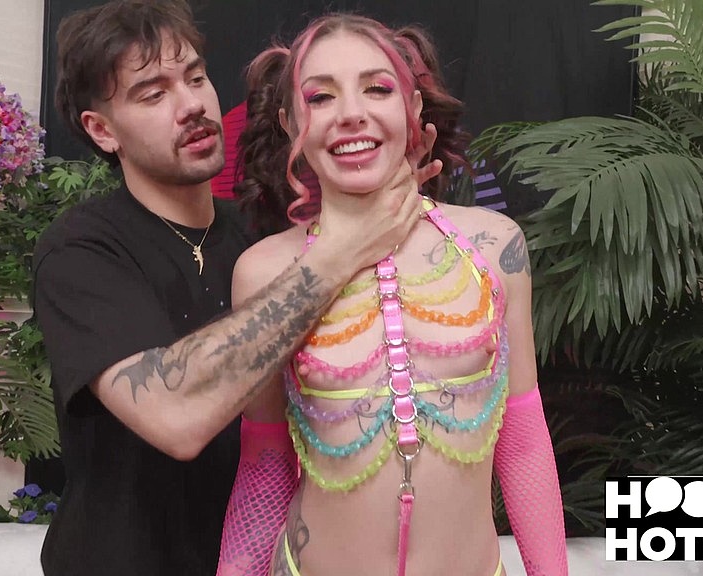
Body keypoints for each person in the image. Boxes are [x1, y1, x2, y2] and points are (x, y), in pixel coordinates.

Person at [31, 3, 440, 575]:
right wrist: (341, 252)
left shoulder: (265, 240)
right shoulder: (80, 253)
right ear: (102, 130)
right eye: (153, 94)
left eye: (195, 77)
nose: (192, 105)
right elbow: (175, 414)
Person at [216, 14, 568, 576]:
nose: (351, 112)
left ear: (412, 108)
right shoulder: (263, 272)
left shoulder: (494, 244)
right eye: (320, 97)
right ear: (290, 123)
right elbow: (266, 459)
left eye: (377, 89)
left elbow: (523, 439)